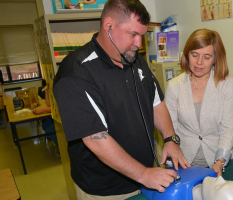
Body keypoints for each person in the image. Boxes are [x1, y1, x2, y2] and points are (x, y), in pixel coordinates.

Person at [53, 0, 190, 199]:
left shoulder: (133, 58)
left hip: (146, 179)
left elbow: (155, 102)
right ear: (109, 26)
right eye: (133, 34)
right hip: (106, 190)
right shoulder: (76, 72)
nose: (139, 44)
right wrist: (143, 174)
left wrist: (170, 139)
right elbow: (95, 139)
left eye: (142, 36)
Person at [164, 29, 233, 177]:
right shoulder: (174, 86)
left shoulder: (226, 85)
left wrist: (220, 160)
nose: (199, 62)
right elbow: (169, 129)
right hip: (184, 164)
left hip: (220, 163)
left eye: (207, 57)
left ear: (215, 58)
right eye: (194, 55)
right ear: (187, 55)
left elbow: (228, 129)